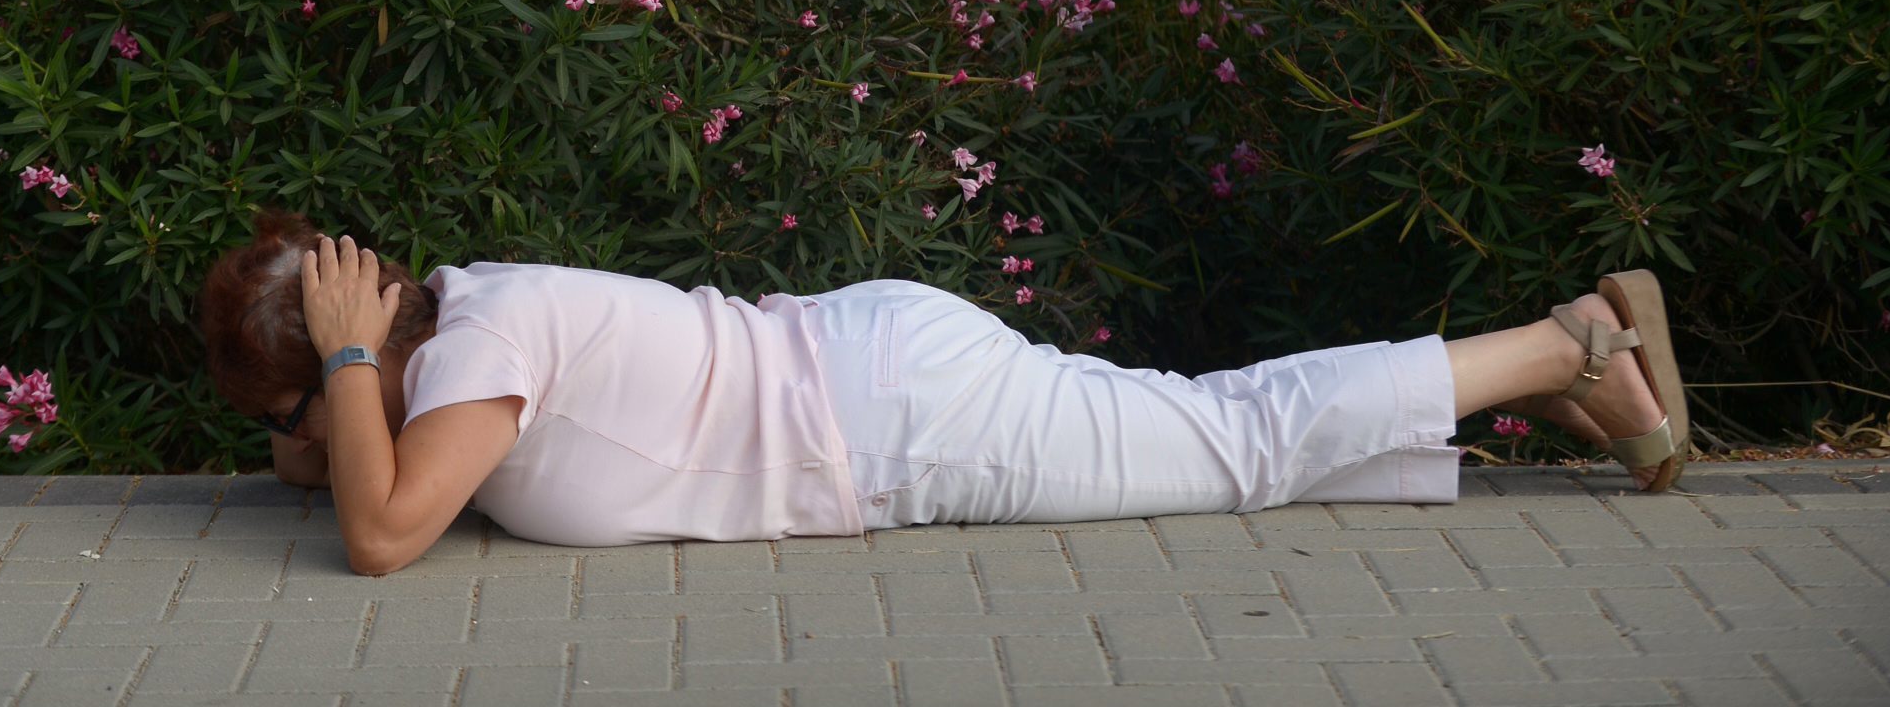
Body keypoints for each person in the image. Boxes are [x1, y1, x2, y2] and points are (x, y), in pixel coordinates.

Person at [198, 209, 1689, 576]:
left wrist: (331, 366)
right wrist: (333, 387)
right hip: (873, 382)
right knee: (1221, 442)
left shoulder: (467, 360)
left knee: (1232, 440)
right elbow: (336, 469)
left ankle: (1565, 343)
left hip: (905, 422)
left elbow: (381, 538)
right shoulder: (458, 326)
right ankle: (1533, 398)